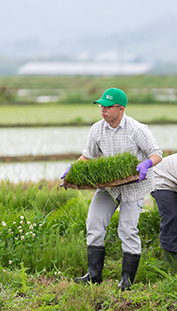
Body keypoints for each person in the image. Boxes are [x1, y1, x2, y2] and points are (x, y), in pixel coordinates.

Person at [66, 88, 162, 290]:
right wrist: (73, 170)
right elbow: (88, 156)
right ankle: (94, 275)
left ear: (120, 109)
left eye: (108, 106)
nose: (102, 109)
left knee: (127, 229)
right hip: (108, 187)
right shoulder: (97, 129)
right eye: (101, 105)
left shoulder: (137, 129)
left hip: (134, 187)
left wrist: (146, 165)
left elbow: (156, 154)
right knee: (94, 222)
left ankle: (127, 280)